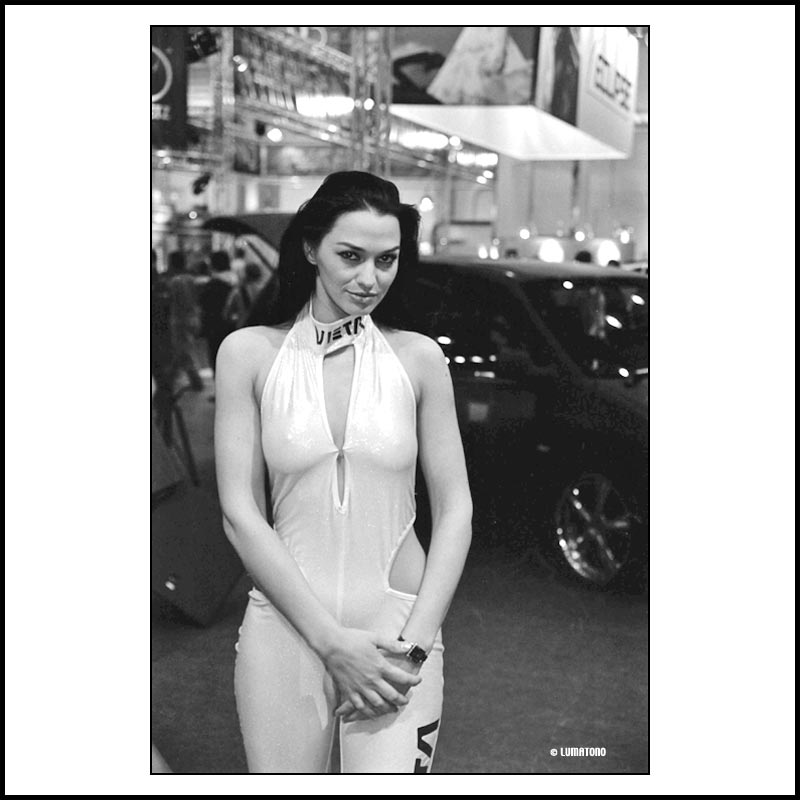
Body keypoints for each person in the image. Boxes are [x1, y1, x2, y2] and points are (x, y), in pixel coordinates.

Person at [214, 171, 473, 773]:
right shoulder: (247, 354)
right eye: (350, 256)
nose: (369, 278)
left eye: (386, 260)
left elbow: (456, 509)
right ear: (311, 248)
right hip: (285, 630)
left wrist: (414, 646)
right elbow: (239, 513)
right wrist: (331, 644)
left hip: (398, 637)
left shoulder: (420, 358)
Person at [166, 251, 204, 391]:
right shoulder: (192, 279)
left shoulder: (174, 282)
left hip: (179, 319)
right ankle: (171, 378)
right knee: (183, 349)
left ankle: (195, 381)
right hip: (194, 317)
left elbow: (175, 301)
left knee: (182, 350)